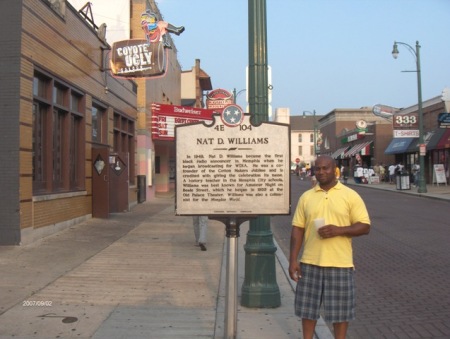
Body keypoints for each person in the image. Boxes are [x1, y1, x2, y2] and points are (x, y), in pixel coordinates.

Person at [289, 155, 371, 339]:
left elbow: (365, 226)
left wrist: (339, 230)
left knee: (340, 313)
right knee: (307, 310)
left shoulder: (350, 195)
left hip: (340, 264)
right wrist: (293, 259)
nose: (321, 172)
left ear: (334, 169)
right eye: (317, 169)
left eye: (325, 168)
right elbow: (297, 229)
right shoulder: (306, 197)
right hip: (310, 262)